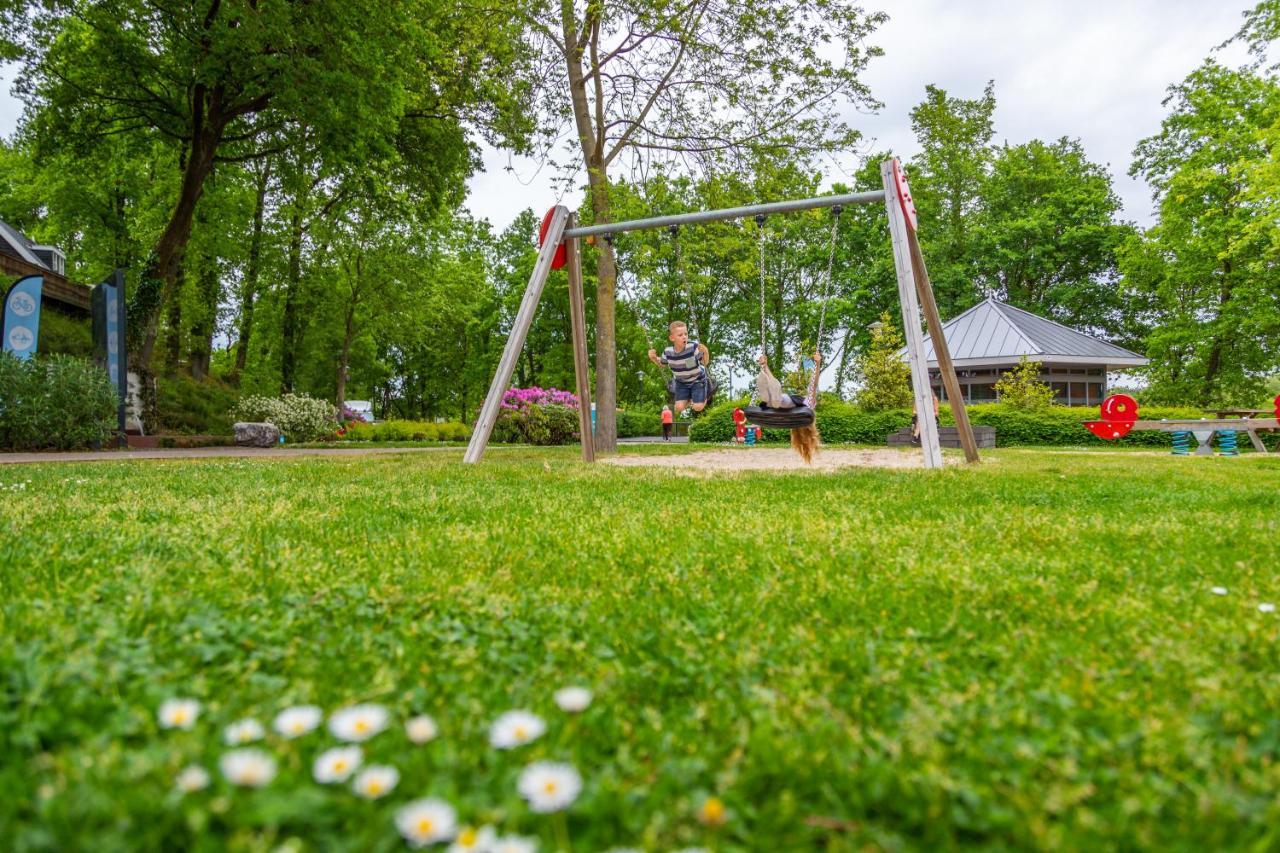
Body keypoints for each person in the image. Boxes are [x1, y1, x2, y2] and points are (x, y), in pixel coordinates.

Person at [648, 321, 712, 415]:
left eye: (686, 334)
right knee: (679, 408)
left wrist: (706, 352)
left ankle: (706, 392)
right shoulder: (668, 352)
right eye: (680, 335)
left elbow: (704, 362)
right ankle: (691, 396)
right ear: (672, 338)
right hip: (681, 383)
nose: (684, 337)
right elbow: (662, 363)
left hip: (697, 380)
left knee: (697, 407)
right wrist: (653, 358)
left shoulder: (692, 347)